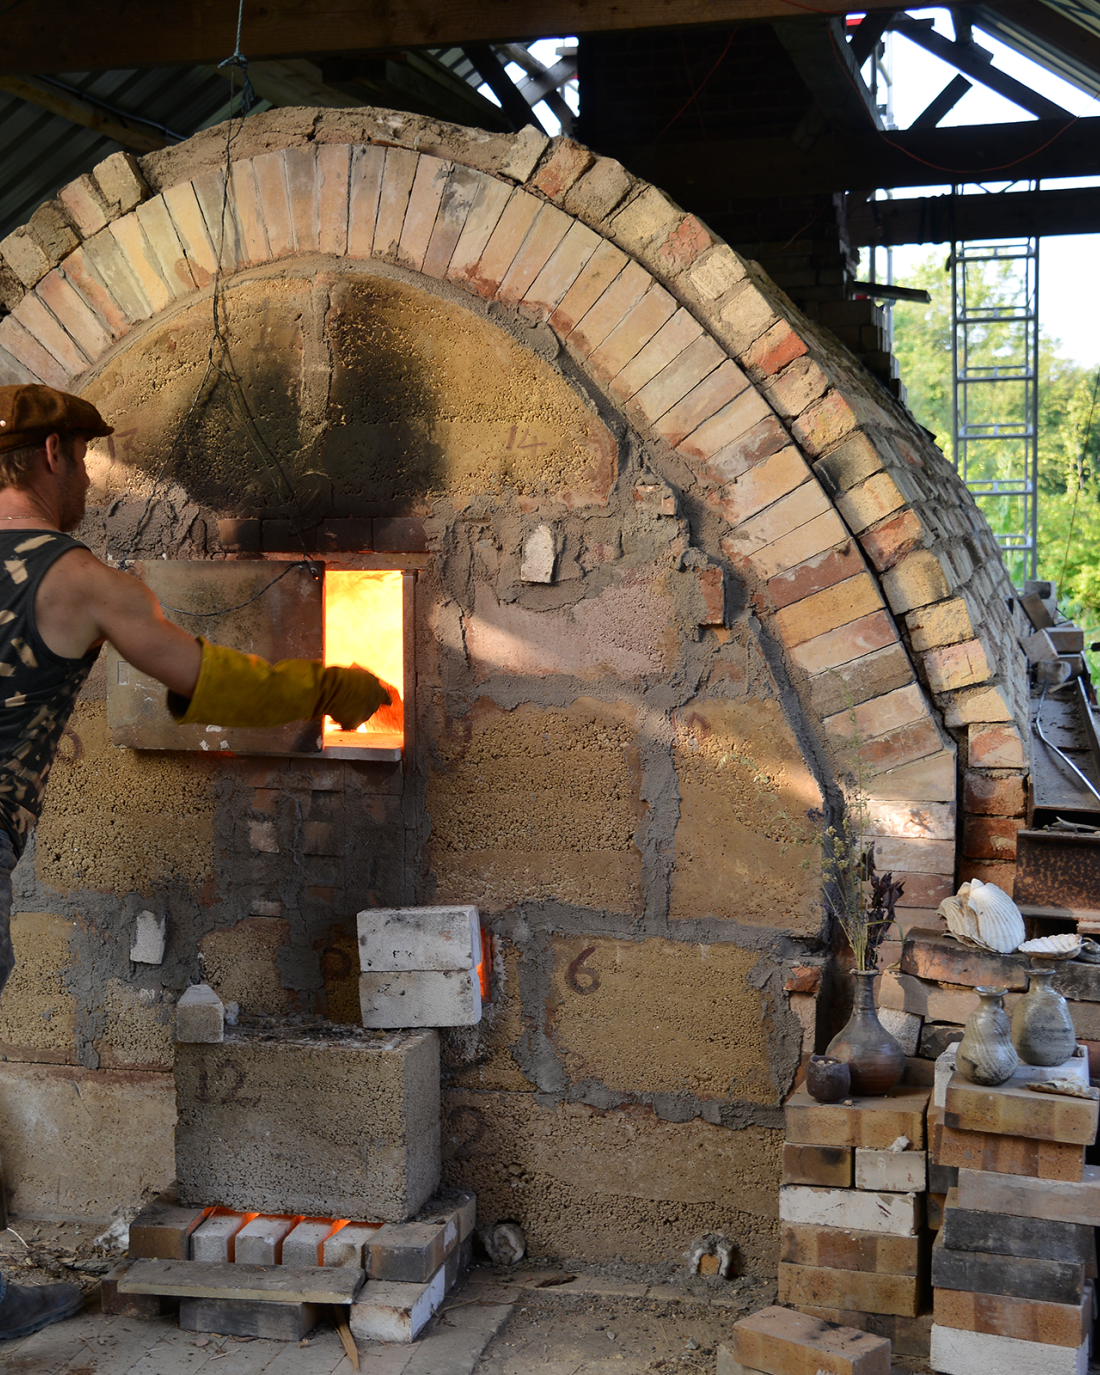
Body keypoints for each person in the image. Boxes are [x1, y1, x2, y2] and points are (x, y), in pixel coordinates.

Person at [0, 383, 392, 1339]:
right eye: (83, 457)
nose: (88, 475)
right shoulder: (71, 576)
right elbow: (209, 677)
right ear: (50, 455)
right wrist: (325, 684)